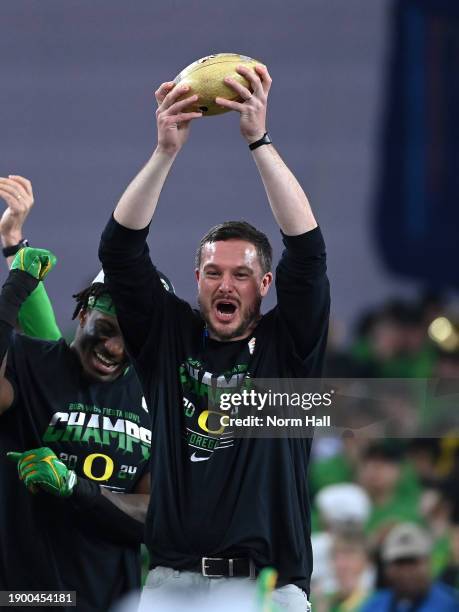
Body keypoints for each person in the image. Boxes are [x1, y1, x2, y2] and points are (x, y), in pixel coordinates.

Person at [99, 63, 330, 610]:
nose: (226, 284)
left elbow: (309, 252)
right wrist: (165, 152)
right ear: (197, 280)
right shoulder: (169, 339)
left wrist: (259, 140)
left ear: (265, 284)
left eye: (242, 274)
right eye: (213, 273)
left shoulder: (288, 348)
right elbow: (120, 252)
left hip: (264, 587)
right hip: (170, 583)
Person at [0, 176, 177, 610]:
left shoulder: (155, 399)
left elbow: (154, 519)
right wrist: (17, 280)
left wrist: (74, 485)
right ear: (82, 311)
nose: (115, 348)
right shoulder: (32, 363)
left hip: (111, 601)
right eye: (107, 328)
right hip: (27, 598)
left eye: (132, 339)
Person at [361, 523, 459, 611]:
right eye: (400, 563)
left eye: (412, 562)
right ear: (387, 568)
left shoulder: (452, 604)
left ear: (428, 562)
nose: (406, 571)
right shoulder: (373, 606)